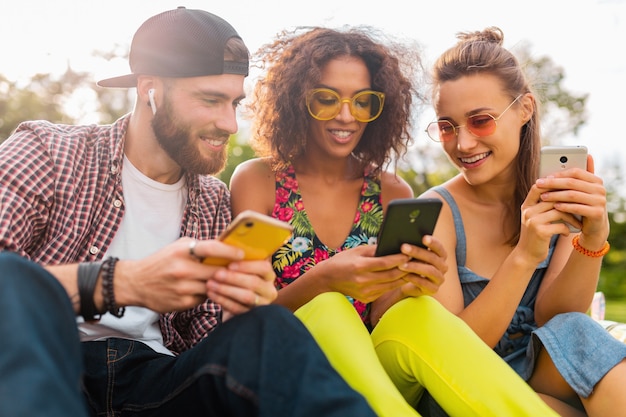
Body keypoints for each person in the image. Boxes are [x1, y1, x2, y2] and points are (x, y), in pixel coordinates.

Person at [0, 8, 380, 417]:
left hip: (153, 383)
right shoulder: (48, 152)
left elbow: (206, 340)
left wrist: (241, 308)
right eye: (211, 100)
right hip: (48, 362)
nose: (231, 124)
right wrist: (121, 282)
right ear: (150, 90)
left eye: (234, 102)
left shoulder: (213, 201)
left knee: (268, 330)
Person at [230, 25, 560, 417]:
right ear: (296, 99)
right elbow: (244, 320)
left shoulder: (391, 192)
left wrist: (416, 284)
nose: (347, 116)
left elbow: (382, 315)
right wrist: (324, 280)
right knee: (330, 308)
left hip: (376, 370)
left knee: (419, 312)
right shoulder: (258, 181)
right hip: (288, 365)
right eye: (327, 99)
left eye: (363, 102)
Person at [419, 27, 626, 417]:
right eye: (447, 127)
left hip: (539, 374)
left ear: (525, 109)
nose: (462, 144)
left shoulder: (558, 194)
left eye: (480, 121)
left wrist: (593, 238)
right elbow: (453, 358)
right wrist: (525, 254)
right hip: (468, 390)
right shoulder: (437, 212)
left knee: (579, 334)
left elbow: (558, 320)